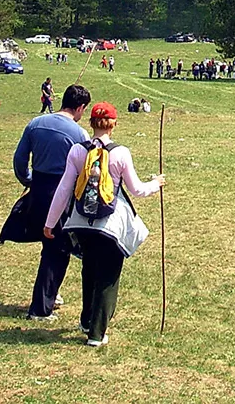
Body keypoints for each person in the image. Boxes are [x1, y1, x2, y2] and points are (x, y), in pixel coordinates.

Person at [43, 101, 164, 346]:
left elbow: (64, 189)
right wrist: (157, 184)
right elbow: (137, 189)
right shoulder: (121, 153)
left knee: (89, 270)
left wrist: (50, 222)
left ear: (91, 123)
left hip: (81, 224)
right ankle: (96, 333)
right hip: (110, 226)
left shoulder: (78, 151)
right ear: (114, 125)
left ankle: (86, 320)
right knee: (108, 276)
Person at [14, 85, 93, 321]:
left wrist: (28, 179)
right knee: (56, 251)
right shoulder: (80, 135)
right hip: (60, 194)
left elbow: (20, 159)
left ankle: (51, 293)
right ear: (80, 107)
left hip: (36, 190)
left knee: (48, 245)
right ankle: (40, 309)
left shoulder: (35, 124)